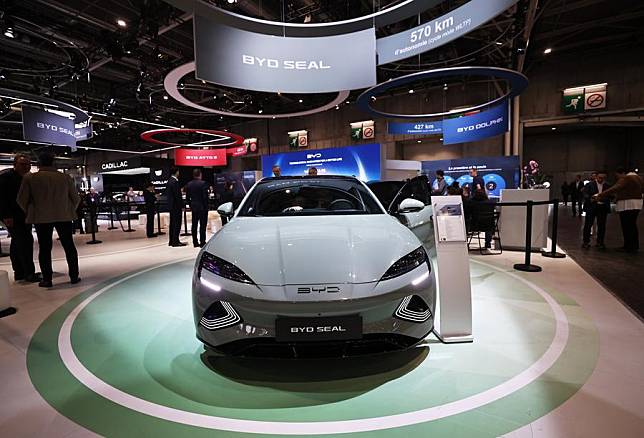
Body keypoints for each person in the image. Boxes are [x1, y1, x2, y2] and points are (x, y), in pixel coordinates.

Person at [17, 151, 80, 288]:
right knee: (69, 246)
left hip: (41, 217)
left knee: (45, 249)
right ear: (53, 162)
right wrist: (68, 210)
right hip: (64, 216)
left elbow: (21, 200)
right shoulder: (65, 177)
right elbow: (76, 199)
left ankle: (47, 279)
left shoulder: (30, 178)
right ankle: (74, 276)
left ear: (39, 163)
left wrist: (30, 211)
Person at [0, 154, 39, 282]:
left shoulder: (28, 178)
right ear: (15, 165)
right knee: (25, 242)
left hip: (25, 215)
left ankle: (20, 272)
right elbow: (2, 199)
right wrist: (6, 216)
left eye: (28, 164)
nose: (26, 167)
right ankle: (29, 273)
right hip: (12, 216)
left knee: (17, 243)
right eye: (23, 164)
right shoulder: (6, 178)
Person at [594, 167, 644, 253]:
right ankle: (634, 246)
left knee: (627, 226)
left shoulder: (627, 178)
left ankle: (628, 246)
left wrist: (600, 195)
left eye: (618, 176)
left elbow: (616, 188)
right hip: (637, 204)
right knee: (632, 226)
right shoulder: (638, 178)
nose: (618, 178)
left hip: (627, 205)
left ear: (623, 173)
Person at [582, 173, 611, 249]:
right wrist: (591, 198)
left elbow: (611, 196)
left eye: (603, 178)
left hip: (602, 207)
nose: (601, 179)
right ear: (596, 177)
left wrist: (602, 199)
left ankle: (600, 242)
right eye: (599, 177)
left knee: (601, 226)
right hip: (591, 207)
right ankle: (586, 242)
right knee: (588, 225)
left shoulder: (608, 185)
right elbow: (585, 193)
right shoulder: (589, 184)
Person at [185, 169, 210, 247]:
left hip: (194, 207)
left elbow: (187, 197)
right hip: (202, 207)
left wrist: (191, 205)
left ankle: (195, 242)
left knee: (194, 225)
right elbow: (205, 197)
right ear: (200, 174)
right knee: (202, 225)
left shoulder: (189, 184)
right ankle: (202, 242)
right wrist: (206, 206)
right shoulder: (203, 183)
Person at [166, 167, 186, 247]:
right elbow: (177, 196)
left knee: (172, 224)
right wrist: (182, 205)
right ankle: (175, 241)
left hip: (172, 206)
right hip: (176, 206)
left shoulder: (169, 181)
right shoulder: (174, 182)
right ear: (176, 172)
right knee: (177, 224)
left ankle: (171, 241)